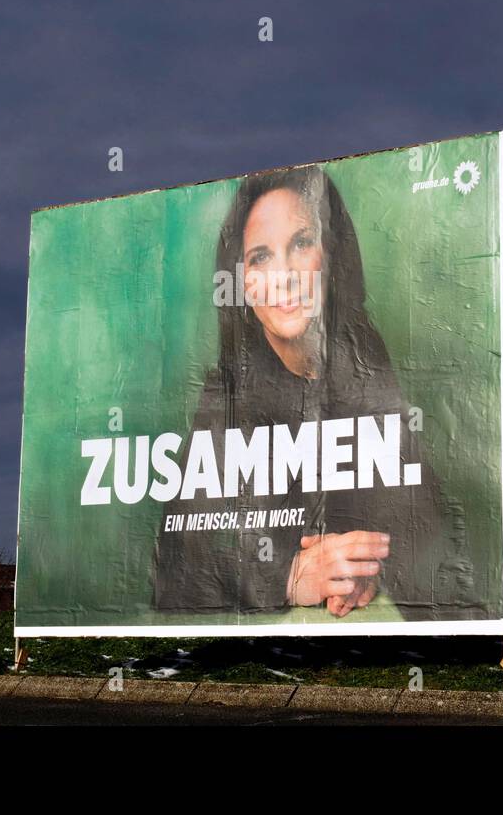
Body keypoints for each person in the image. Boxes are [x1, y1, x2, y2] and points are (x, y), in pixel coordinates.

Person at [152, 165, 478, 620]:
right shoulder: (224, 398)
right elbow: (178, 569)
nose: (284, 274)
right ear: (241, 281)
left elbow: (426, 535)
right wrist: (287, 577)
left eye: (302, 243)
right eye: (261, 257)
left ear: (332, 256)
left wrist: (366, 566)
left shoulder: (369, 367)